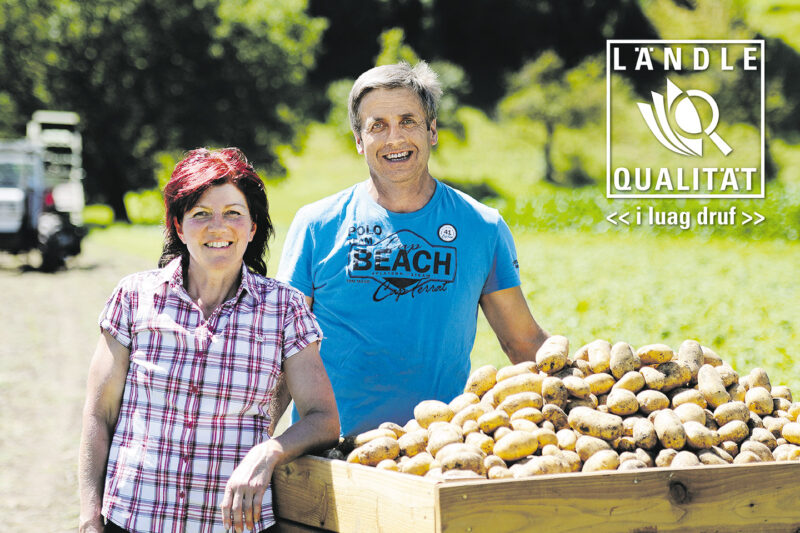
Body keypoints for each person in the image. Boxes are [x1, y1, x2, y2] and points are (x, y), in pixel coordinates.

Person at [276, 61, 548, 437]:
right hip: (331, 451)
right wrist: (247, 444)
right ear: (359, 140)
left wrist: (597, 386)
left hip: (437, 450)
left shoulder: (482, 227)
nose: (395, 139)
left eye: (408, 121)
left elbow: (523, 342)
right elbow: (281, 350)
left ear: (432, 130)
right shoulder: (317, 225)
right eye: (377, 126)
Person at [78, 148, 339, 533]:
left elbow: (323, 418)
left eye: (233, 213)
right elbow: (99, 416)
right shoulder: (134, 296)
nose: (218, 227)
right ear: (179, 227)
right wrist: (89, 520)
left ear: (252, 228)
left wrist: (268, 452)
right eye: (201, 213)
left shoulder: (285, 309)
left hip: (233, 525)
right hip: (133, 519)